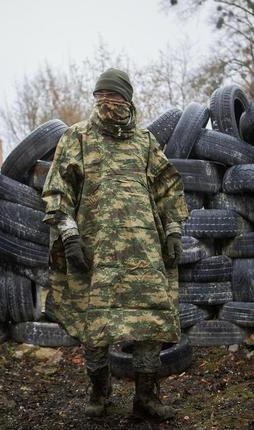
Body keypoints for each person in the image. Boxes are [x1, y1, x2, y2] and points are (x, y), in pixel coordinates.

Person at [42, 68, 189, 421]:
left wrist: (172, 230)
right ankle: (99, 393)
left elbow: (168, 188)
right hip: (97, 254)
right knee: (97, 328)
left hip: (145, 253)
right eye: (101, 96)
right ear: (94, 99)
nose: (108, 103)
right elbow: (57, 191)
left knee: (150, 324)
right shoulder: (77, 137)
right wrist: (70, 235)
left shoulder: (145, 142)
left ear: (128, 98)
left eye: (115, 96)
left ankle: (145, 398)